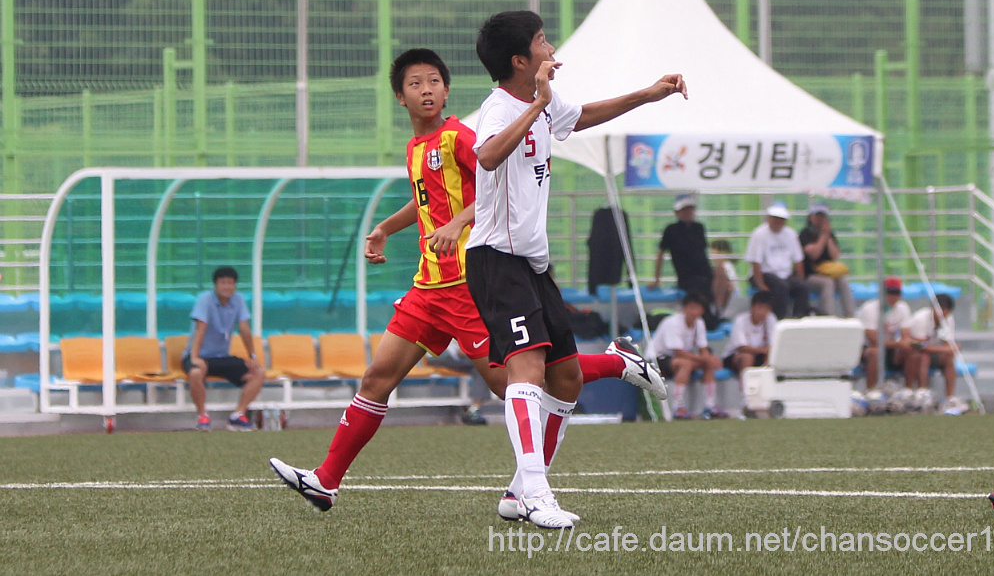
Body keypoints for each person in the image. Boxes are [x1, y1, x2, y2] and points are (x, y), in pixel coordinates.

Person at [268, 48, 667, 516]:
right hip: (427, 289)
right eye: (415, 84)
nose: (426, 90)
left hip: (467, 283)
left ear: (447, 90)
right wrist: (385, 228)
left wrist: (457, 223)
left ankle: (616, 362)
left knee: (512, 382)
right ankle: (326, 481)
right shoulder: (416, 148)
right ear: (400, 97)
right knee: (377, 378)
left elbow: (493, 191)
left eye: (434, 81)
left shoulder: (460, 138)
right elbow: (425, 201)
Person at [465, 10, 686, 529]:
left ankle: (520, 492)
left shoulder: (543, 102)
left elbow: (579, 116)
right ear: (520, 61)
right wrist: (538, 104)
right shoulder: (500, 107)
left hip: (533, 263)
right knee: (526, 371)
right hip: (496, 259)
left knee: (565, 378)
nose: (552, 48)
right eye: (543, 41)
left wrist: (646, 94)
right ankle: (538, 495)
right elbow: (488, 156)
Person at [183, 266, 264, 432]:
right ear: (216, 285)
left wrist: (252, 356)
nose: (226, 286)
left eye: (230, 283)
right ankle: (202, 416)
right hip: (200, 355)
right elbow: (200, 328)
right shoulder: (205, 299)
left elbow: (244, 328)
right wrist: (195, 357)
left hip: (222, 356)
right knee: (196, 372)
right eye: (223, 283)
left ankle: (238, 415)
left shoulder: (238, 299)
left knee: (258, 372)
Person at [648, 293, 727, 420]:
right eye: (691, 308)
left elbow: (703, 348)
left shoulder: (699, 323)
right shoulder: (673, 323)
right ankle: (678, 406)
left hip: (678, 358)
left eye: (698, 308)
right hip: (658, 359)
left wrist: (709, 360)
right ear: (684, 308)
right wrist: (706, 359)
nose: (694, 312)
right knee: (685, 364)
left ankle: (710, 405)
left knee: (708, 364)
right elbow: (678, 352)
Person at [901, 292, 964, 414]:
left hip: (933, 352)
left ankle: (950, 398)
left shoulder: (948, 319)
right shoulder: (920, 318)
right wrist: (948, 349)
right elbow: (919, 345)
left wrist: (948, 349)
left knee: (948, 358)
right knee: (924, 357)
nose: (943, 315)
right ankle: (921, 393)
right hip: (914, 353)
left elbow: (947, 343)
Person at [745, 201, 810, 319]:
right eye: (775, 218)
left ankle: (799, 317)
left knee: (803, 287)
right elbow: (755, 262)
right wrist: (761, 285)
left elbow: (798, 260)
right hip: (765, 273)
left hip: (785, 274)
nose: (777, 222)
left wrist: (799, 280)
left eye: (781, 219)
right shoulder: (759, 234)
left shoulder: (791, 234)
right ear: (768, 218)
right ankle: (780, 318)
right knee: (781, 287)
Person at [650, 192, 712, 299]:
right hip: (687, 277)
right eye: (684, 209)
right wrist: (657, 279)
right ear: (676, 212)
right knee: (701, 288)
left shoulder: (699, 228)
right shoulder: (671, 230)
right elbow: (660, 254)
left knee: (721, 276)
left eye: (690, 209)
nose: (688, 212)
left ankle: (718, 308)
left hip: (705, 272)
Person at [799, 201, 855, 317]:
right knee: (828, 283)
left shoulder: (830, 235)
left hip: (827, 273)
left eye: (823, 216)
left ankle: (850, 316)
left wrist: (828, 236)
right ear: (811, 217)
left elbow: (835, 255)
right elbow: (814, 254)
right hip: (811, 276)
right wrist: (823, 236)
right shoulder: (804, 234)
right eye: (817, 216)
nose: (820, 219)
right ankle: (829, 316)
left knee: (843, 282)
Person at [856, 276, 913, 390]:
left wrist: (901, 347)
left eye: (896, 293)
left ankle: (909, 390)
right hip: (867, 349)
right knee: (875, 352)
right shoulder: (870, 309)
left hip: (891, 347)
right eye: (890, 293)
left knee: (911, 350)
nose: (893, 297)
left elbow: (906, 336)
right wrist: (898, 344)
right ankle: (871, 390)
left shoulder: (903, 308)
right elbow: (873, 340)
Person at [722, 290, 777, 388]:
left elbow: (773, 343)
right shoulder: (740, 320)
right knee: (747, 357)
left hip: (759, 354)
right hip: (736, 356)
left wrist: (767, 351)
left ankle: (769, 388)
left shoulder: (771, 319)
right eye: (760, 308)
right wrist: (763, 350)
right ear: (752, 307)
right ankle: (745, 390)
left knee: (771, 357)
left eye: (766, 309)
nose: (763, 312)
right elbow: (742, 347)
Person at [710, 239, 741, 319]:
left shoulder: (726, 267)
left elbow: (731, 287)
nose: (711, 255)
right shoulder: (723, 267)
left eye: (713, 252)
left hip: (728, 302)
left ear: (723, 252)